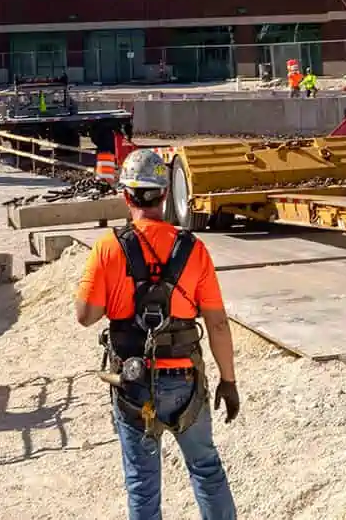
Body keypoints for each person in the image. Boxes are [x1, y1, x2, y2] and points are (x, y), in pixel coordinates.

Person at [76, 149, 239, 520]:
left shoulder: (108, 248)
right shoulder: (194, 250)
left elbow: (85, 316)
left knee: (142, 483)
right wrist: (228, 381)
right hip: (184, 380)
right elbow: (216, 323)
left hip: (134, 382)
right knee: (206, 470)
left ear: (125, 195)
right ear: (165, 194)